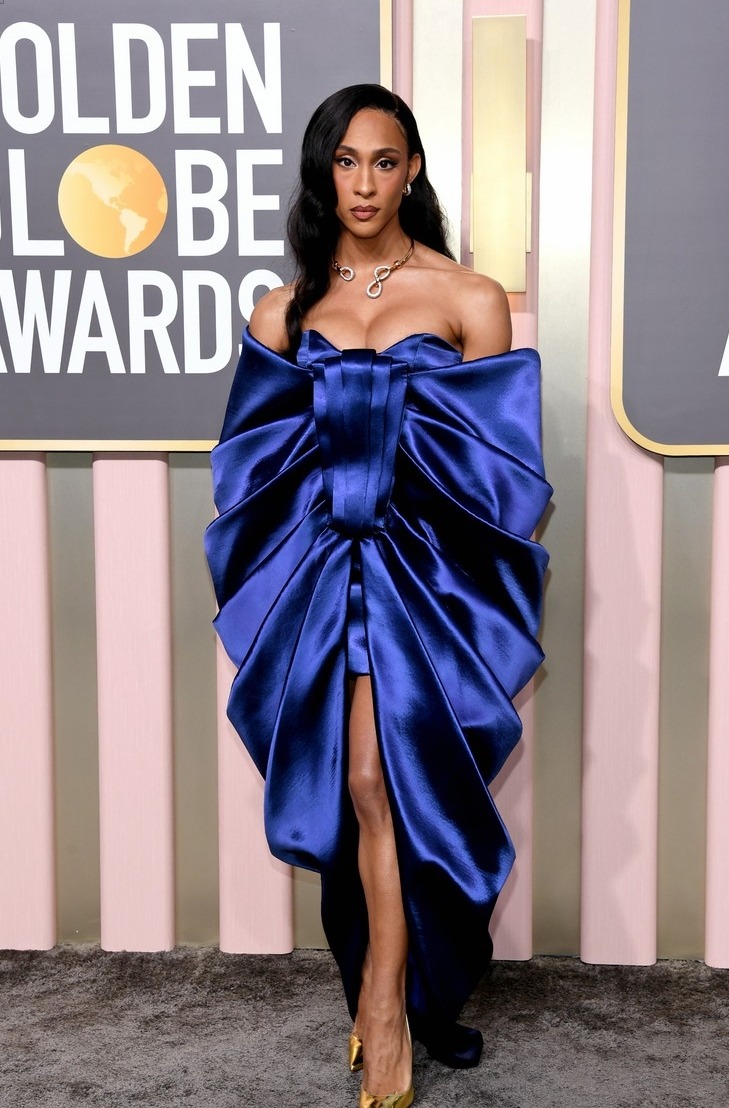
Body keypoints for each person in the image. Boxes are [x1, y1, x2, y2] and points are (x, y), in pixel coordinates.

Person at [205, 83, 551, 1108]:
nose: (364, 182)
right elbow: (249, 462)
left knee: (392, 784)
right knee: (356, 784)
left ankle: (388, 1010)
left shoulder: (468, 298)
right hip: (321, 574)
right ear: (323, 171)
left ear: (413, 170)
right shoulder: (282, 308)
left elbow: (504, 474)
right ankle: (381, 1001)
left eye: (384, 161)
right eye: (346, 161)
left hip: (424, 576)